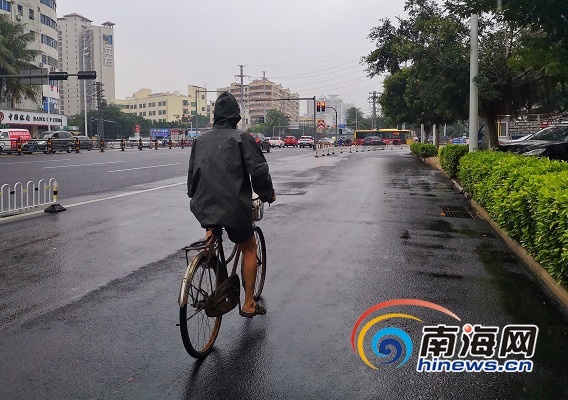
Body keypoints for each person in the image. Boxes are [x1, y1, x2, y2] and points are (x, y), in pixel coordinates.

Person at [187, 91, 276, 318]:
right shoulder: (240, 138)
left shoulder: (200, 141)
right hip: (235, 207)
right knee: (249, 248)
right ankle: (248, 304)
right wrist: (268, 194)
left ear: (215, 115)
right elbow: (259, 171)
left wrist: (193, 195)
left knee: (212, 229)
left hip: (203, 205)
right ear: (236, 116)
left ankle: (211, 258)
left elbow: (192, 177)